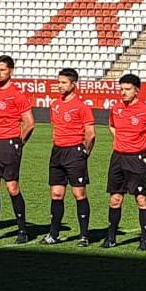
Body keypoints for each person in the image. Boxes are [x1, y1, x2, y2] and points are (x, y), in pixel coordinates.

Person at [103, 73, 146, 250]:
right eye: (121, 89)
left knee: (141, 198)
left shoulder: (145, 109)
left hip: (136, 160)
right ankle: (111, 238)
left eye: (127, 89)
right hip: (117, 158)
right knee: (115, 198)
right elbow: (112, 125)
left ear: (136, 91)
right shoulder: (116, 108)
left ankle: (144, 240)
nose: (123, 92)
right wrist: (120, 140)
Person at [0, 55, 35, 242]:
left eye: (2, 70)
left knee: (12, 187)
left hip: (10, 143)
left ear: (11, 71)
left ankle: (22, 231)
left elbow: (29, 123)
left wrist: (18, 143)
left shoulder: (17, 94)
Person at [42, 68, 95, 246]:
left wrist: (85, 152)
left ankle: (84, 235)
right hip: (57, 152)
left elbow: (91, 134)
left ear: (73, 84)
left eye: (64, 82)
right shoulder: (55, 104)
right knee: (56, 194)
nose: (60, 86)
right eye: (59, 82)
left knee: (78, 193)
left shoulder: (82, 106)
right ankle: (54, 234)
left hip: (75, 152)